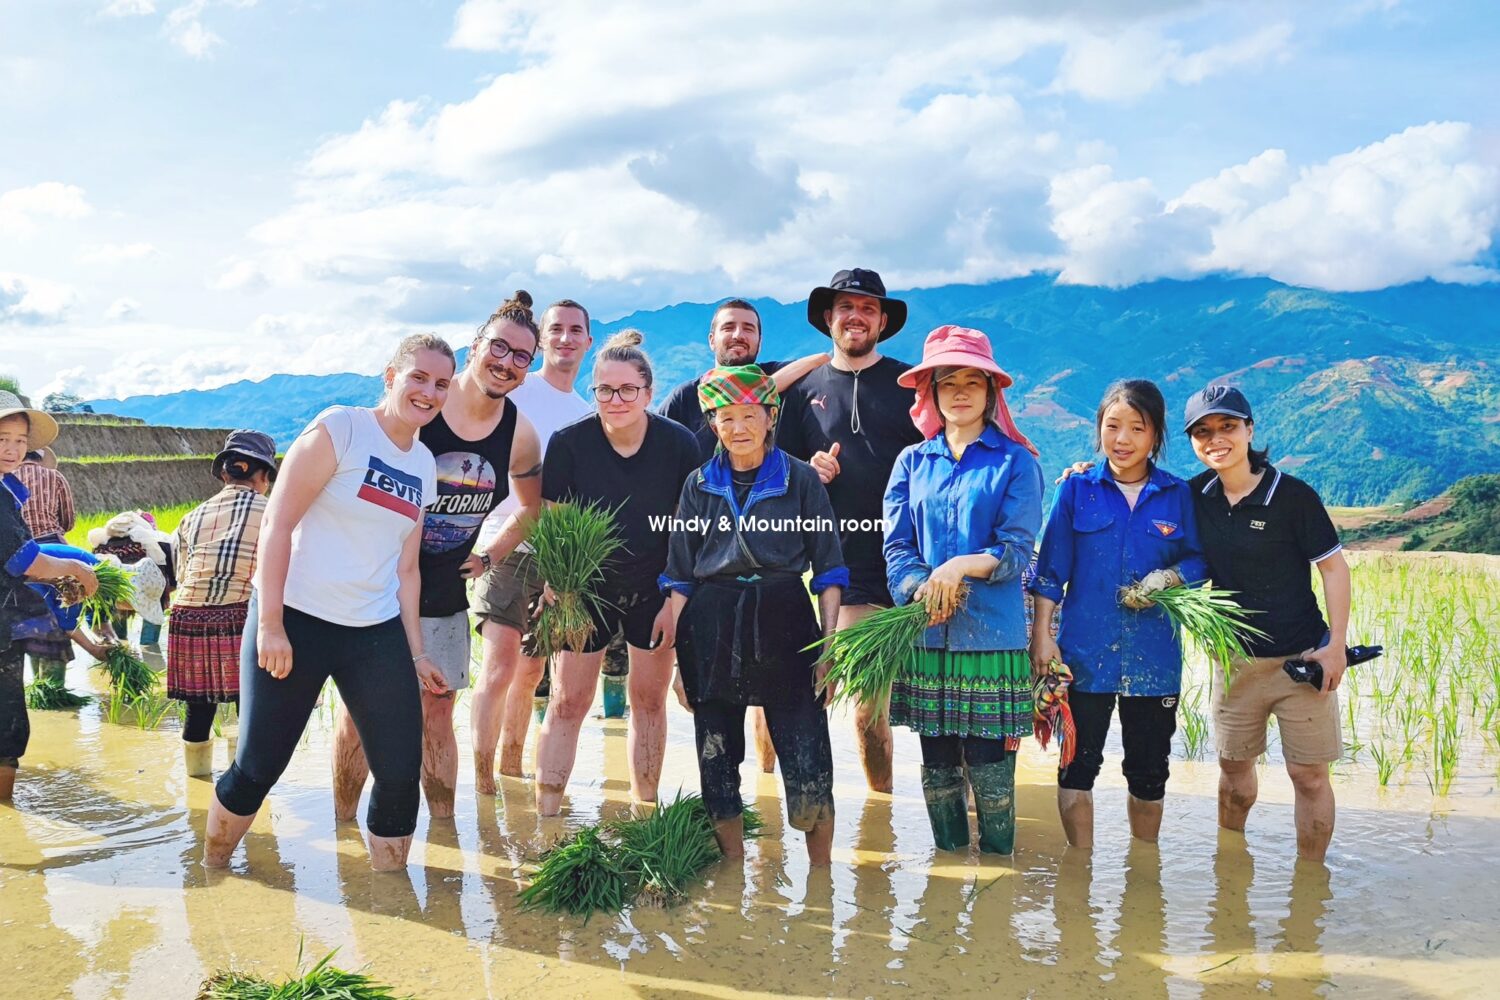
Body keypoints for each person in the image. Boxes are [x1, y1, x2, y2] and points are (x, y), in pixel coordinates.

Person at [204, 334, 451, 872]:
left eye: (440, 384)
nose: (429, 392)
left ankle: (391, 903)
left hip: (374, 631)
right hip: (297, 620)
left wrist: (416, 653)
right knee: (257, 768)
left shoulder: (425, 464)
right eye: (419, 378)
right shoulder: (342, 428)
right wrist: (270, 623)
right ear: (391, 376)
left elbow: (406, 569)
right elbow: (277, 522)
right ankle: (211, 872)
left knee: (399, 773)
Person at [333, 292, 544, 819]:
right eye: (499, 347)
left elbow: (533, 509)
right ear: (476, 346)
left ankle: (446, 835)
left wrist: (491, 557)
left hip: (446, 594)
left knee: (437, 709)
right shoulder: (425, 407)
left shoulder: (518, 433)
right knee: (359, 714)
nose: (507, 362)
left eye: (522, 356)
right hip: (376, 585)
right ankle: (342, 831)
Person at [662, 365, 844, 865]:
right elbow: (679, 577)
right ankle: (733, 870)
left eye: (749, 415)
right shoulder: (698, 485)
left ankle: (822, 876)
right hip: (712, 622)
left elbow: (829, 572)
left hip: (787, 618)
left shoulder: (802, 480)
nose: (738, 427)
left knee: (807, 752)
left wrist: (828, 650)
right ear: (713, 424)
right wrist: (682, 664)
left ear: (771, 417)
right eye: (726, 417)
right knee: (716, 754)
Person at [882, 326, 1043, 854]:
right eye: (947, 381)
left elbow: (1017, 549)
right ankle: (946, 870)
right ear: (929, 391)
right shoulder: (910, 462)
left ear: (991, 391)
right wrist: (917, 585)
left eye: (973, 381)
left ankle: (998, 870)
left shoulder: (1016, 462)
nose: (959, 391)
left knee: (990, 763)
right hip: (927, 634)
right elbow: (897, 545)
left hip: (992, 637)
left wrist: (958, 566)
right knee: (937, 763)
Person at [1028, 379, 1208, 848]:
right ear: (1099, 430)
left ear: (1156, 436)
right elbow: (1049, 572)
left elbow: (1199, 560)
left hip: (1154, 659)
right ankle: (1079, 871)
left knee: (1149, 773)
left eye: (1137, 428)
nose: (1122, 439)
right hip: (1084, 655)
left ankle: (1143, 871)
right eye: (1112, 426)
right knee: (1076, 766)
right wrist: (1043, 637)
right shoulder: (1075, 491)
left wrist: (1170, 579)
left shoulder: (1177, 496)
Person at [657, 298, 829, 771]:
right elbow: (666, 470)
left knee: (781, 710)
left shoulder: (782, 393)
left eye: (748, 328)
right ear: (710, 339)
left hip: (774, 567)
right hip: (704, 562)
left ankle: (769, 789)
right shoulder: (683, 399)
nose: (738, 335)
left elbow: (816, 367)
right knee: (714, 718)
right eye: (728, 328)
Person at [533, 329, 700, 816]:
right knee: (568, 701)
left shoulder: (679, 444)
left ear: (648, 393)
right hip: (587, 590)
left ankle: (643, 813)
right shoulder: (569, 444)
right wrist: (560, 593)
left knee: (648, 701)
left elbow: (688, 531)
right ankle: (547, 818)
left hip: (655, 586)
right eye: (605, 389)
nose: (616, 398)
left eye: (628, 389)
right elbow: (556, 530)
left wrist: (677, 600)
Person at [1186, 385, 1350, 863]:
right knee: (1233, 770)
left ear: (1249, 430)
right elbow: (1136, 489)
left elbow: (1334, 568)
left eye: (1227, 427)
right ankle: (1230, 866)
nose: (1216, 439)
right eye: (1203, 432)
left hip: (1302, 659)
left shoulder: (1293, 496)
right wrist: (1085, 477)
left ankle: (1310, 881)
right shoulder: (1195, 495)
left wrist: (1336, 645)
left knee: (1309, 775)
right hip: (1234, 662)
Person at [777, 268, 923, 793]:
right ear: (828, 318)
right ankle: (871, 817)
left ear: (882, 321)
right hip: (844, 564)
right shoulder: (803, 393)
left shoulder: (912, 386)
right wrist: (806, 472)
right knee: (858, 708)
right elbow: (774, 474)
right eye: (846, 307)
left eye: (867, 308)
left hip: (917, 562)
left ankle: (939, 819)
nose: (855, 316)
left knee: (945, 709)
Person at [469, 298, 593, 789]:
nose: (565, 339)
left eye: (575, 331)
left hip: (554, 554)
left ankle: (510, 770)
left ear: (587, 340)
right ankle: (480, 782)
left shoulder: (587, 411)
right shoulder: (519, 390)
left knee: (530, 672)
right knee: (500, 667)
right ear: (541, 341)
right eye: (556, 330)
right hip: (504, 541)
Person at [1, 390, 99, 801]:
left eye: (20, 441)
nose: (12, 449)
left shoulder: (9, 487)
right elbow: (23, 559)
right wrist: (74, 569)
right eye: (2, 438)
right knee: (7, 725)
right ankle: (8, 817)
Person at [168, 430, 277, 777]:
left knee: (199, 707)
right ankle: (243, 787)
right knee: (251, 705)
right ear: (264, 476)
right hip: (241, 613)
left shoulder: (192, 516)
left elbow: (182, 573)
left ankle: (196, 788)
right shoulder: (273, 511)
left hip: (188, 614)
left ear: (225, 474)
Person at [14, 449, 79, 683]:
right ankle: (54, 688)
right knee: (61, 611)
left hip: (18, 555)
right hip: (54, 550)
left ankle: (39, 687)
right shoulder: (55, 477)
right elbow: (68, 520)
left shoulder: (7, 478)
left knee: (31, 617)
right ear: (41, 457)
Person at [15, 449, 74, 544]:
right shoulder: (56, 476)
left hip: (19, 544)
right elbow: (68, 522)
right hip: (52, 538)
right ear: (41, 459)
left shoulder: (7, 478)